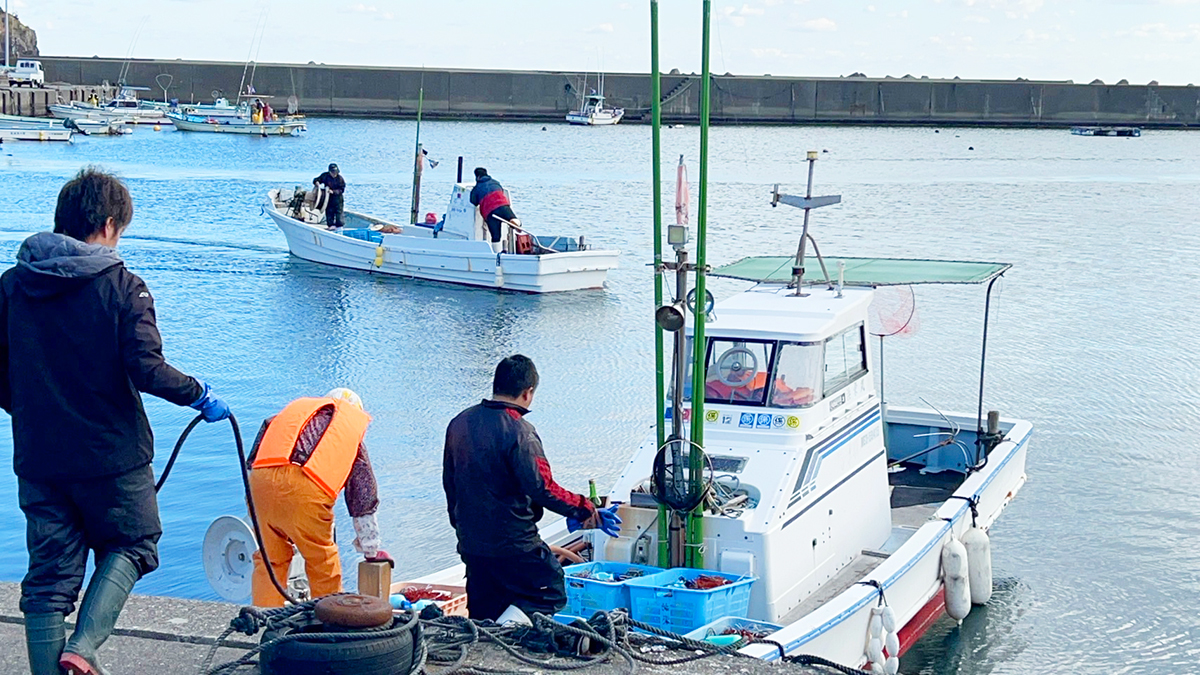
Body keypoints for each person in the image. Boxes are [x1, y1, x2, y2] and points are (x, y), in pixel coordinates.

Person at [0, 168, 231, 675]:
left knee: (47, 580)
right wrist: (201, 395)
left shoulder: (13, 285)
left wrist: (36, 413)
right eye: (120, 230)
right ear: (107, 225)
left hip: (40, 459)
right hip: (113, 458)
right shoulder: (123, 286)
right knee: (133, 543)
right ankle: (82, 648)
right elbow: (145, 368)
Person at [442, 355, 620, 621]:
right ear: (528, 393)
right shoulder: (520, 432)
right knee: (550, 589)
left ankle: (490, 645)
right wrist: (584, 508)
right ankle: (506, 635)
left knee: (484, 611)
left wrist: (462, 528)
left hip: (472, 543)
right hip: (514, 542)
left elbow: (450, 483)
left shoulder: (459, 423)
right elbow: (542, 487)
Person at [246, 388, 392, 607]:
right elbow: (363, 496)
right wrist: (371, 550)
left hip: (259, 485)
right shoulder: (346, 430)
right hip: (305, 489)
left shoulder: (283, 418)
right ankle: (326, 626)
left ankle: (263, 621)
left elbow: (252, 462)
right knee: (322, 562)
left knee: (269, 561)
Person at [469, 167, 520, 254]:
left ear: (477, 177)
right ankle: (516, 222)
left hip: (491, 211)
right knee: (511, 217)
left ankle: (497, 254)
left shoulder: (477, 188)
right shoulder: (496, 183)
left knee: (496, 235)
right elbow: (501, 190)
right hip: (503, 204)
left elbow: (473, 201)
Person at [313, 163, 346, 229]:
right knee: (329, 212)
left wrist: (333, 191)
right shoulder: (325, 176)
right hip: (328, 198)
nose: (334, 174)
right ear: (329, 172)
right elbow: (316, 179)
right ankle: (330, 225)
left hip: (338, 199)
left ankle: (339, 226)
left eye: (335, 172)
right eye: (333, 172)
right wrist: (316, 182)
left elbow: (342, 189)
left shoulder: (340, 179)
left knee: (339, 213)